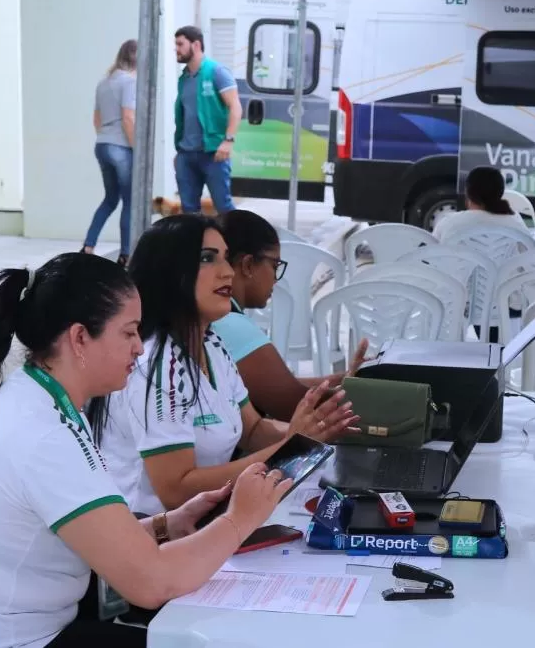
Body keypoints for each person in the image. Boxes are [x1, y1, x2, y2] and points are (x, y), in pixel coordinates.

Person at [0, 253, 294, 648]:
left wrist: (167, 524)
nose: (139, 349)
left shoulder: (35, 394)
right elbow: (152, 583)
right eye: (129, 333)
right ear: (80, 338)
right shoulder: (45, 435)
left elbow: (84, 532)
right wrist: (240, 519)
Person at [98, 215, 358, 516]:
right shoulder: (155, 366)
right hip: (155, 530)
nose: (227, 272)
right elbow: (176, 491)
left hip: (209, 520)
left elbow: (253, 430)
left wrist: (315, 433)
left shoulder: (212, 345)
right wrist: (293, 445)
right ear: (170, 270)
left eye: (225, 258)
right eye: (208, 258)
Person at [212, 209, 370, 421]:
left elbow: (282, 385)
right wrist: (365, 389)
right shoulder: (232, 325)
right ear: (248, 265)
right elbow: (293, 405)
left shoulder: (217, 316)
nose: (276, 278)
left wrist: (346, 379)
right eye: (274, 265)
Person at [173, 26, 243, 215]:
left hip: (214, 153)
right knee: (189, 212)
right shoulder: (184, 78)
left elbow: (235, 107)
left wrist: (228, 141)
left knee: (224, 207)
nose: (176, 49)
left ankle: (239, 235)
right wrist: (179, 151)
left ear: (196, 45)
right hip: (186, 154)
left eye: (180, 44)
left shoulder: (217, 72)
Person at [83, 39, 137, 266]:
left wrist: (106, 137)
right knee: (130, 202)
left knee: (110, 199)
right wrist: (136, 148)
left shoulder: (103, 83)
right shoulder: (129, 82)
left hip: (102, 144)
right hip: (121, 147)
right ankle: (126, 254)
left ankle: (88, 246)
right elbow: (128, 117)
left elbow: (96, 119)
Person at [432, 166, 531, 241]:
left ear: (467, 193)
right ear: (500, 193)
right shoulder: (516, 224)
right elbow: (531, 257)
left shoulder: (448, 224)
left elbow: (431, 256)